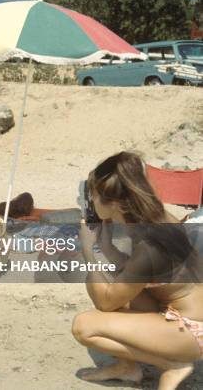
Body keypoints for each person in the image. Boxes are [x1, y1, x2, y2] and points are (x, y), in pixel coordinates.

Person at [71, 151, 202, 390]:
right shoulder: (152, 220)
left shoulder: (150, 245)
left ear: (114, 202)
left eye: (94, 196)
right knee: (119, 284)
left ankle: (172, 364)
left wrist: (89, 252)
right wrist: (108, 247)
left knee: (84, 326)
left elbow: (106, 303)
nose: (91, 202)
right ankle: (127, 368)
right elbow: (135, 274)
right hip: (178, 313)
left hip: (193, 331)